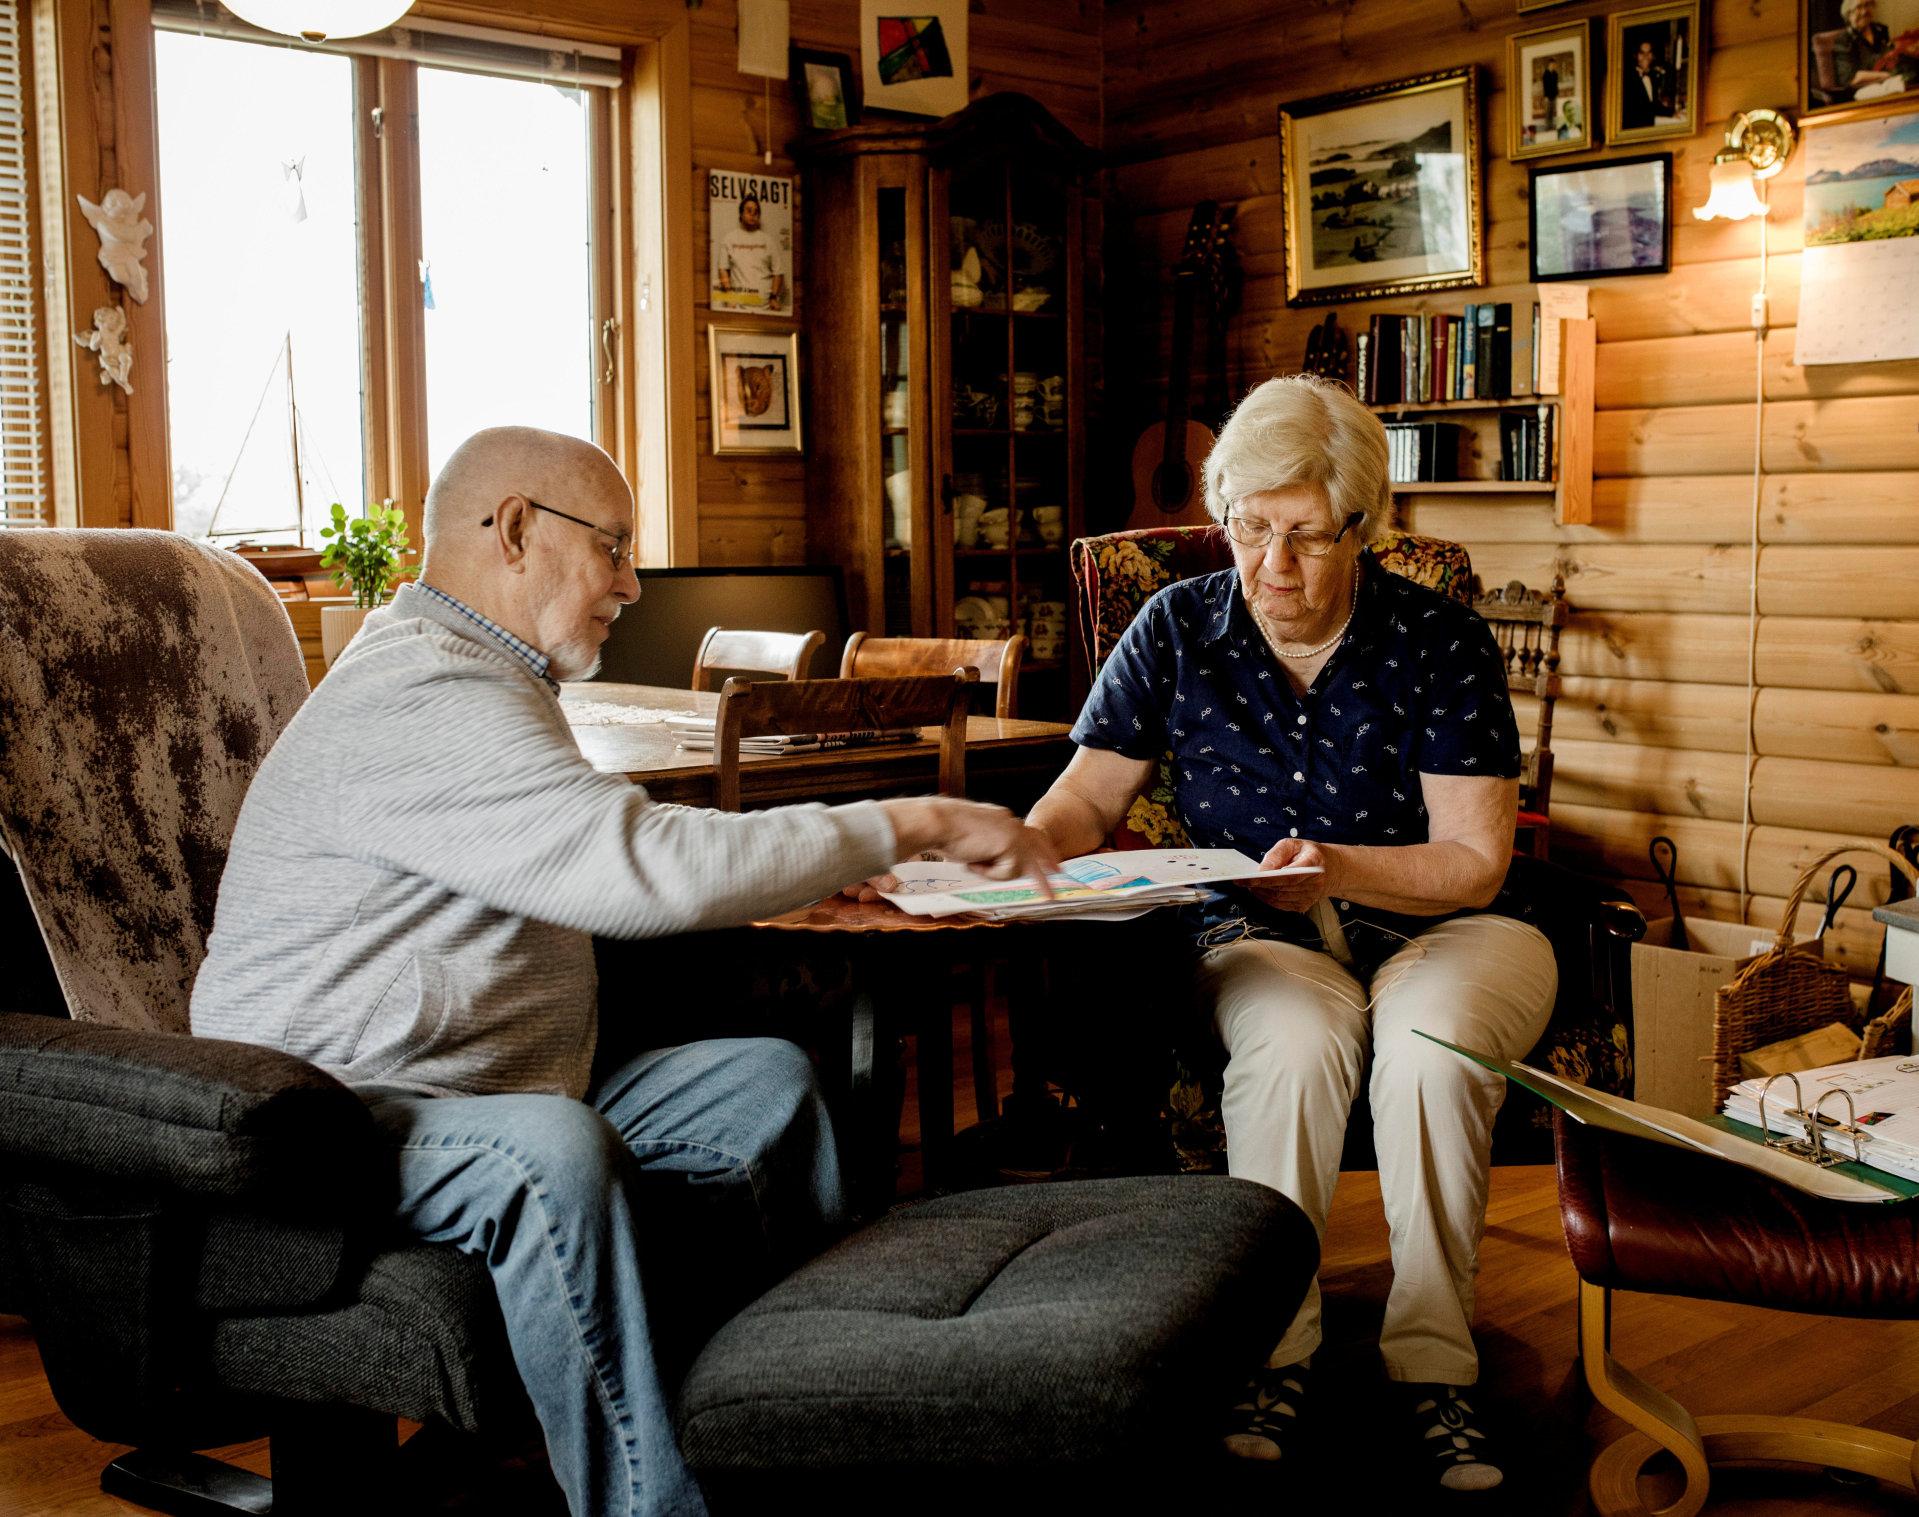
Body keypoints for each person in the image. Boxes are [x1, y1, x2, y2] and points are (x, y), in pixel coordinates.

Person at [189, 425, 1058, 1517]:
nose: (633, 583)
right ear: (514, 530)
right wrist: (908, 819)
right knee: (552, 1152)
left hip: (488, 1079)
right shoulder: (420, 693)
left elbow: (570, 865)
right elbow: (636, 864)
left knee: (765, 1088)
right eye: (614, 546)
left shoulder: (486, 674)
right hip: (335, 1115)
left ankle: (807, 1415)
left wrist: (792, 884)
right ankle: (650, 1502)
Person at [1018, 376, 1555, 1494]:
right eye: (1248, 528)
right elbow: (1082, 799)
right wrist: (1020, 854)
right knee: (1297, 1041)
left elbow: (1473, 859)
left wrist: (1340, 865)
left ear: (1361, 526)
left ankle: (1432, 1366)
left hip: (1448, 925)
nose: (1271, 563)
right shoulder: (1175, 625)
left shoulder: (1438, 639)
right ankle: (1271, 1351)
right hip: (1258, 929)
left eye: (1305, 535)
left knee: (1431, 1043)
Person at [713, 193, 787, 311]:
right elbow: (723, 269)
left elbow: (778, 272)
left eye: (756, 211)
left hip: (766, 308)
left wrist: (773, 297)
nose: (752, 214)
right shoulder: (729, 239)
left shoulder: (768, 240)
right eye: (749, 210)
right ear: (741, 214)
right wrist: (729, 295)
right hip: (738, 307)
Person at [1830, 0, 1895, 99]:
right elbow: (1850, 78)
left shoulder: (1880, 30)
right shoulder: (1844, 40)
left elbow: (1892, 55)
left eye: (1867, 5)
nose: (1864, 11)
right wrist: (1886, 75)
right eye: (1859, 7)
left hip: (1889, 82)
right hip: (1861, 90)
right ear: (1849, 13)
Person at [1620, 36, 1672, 129]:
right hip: (1636, 128)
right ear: (1635, 55)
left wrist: (1671, 112)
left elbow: (1654, 105)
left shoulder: (1653, 76)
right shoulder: (1627, 79)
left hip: (1650, 123)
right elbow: (1634, 112)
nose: (1646, 57)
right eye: (1642, 53)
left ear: (1653, 55)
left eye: (1649, 53)